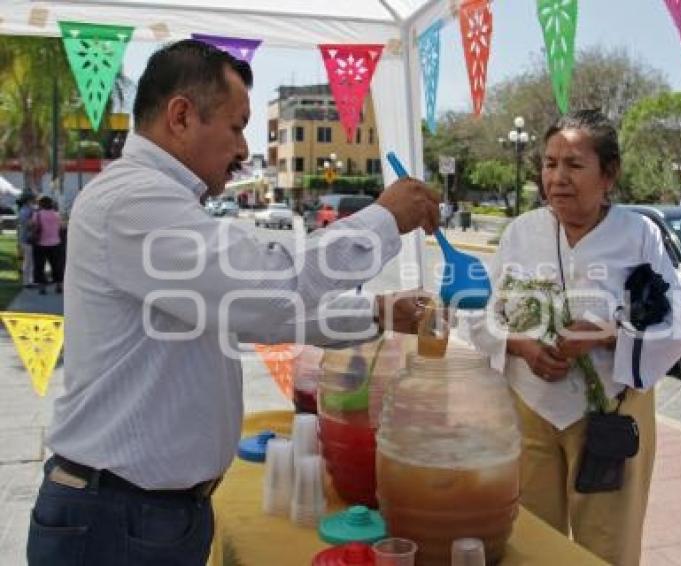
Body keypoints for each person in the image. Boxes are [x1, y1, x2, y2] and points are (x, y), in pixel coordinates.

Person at [27, 39, 439, 566]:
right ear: (181, 115)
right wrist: (383, 218)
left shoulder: (165, 201)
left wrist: (378, 313)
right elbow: (267, 292)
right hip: (117, 518)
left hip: (146, 513)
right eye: (236, 125)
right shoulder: (135, 201)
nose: (244, 149)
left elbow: (246, 315)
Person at [461, 110, 681, 566]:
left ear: (609, 174)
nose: (558, 178)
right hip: (529, 407)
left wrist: (609, 335)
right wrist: (518, 345)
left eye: (574, 165)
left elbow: (678, 321)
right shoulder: (520, 233)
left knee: (607, 546)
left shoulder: (638, 234)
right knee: (528, 536)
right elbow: (479, 310)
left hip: (611, 408)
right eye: (550, 164)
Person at [30, 195, 65, 295]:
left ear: (41, 204)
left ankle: (42, 287)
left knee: (40, 266)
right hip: (55, 243)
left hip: (40, 243)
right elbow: (62, 227)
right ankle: (59, 285)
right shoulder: (56, 215)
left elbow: (32, 226)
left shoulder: (37, 215)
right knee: (56, 265)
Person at [16, 193, 36, 287]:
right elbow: (28, 224)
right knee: (28, 261)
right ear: (28, 201)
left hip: (25, 238)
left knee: (29, 261)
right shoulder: (26, 211)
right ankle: (27, 281)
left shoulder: (24, 210)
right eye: (33, 200)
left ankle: (29, 280)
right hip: (27, 238)